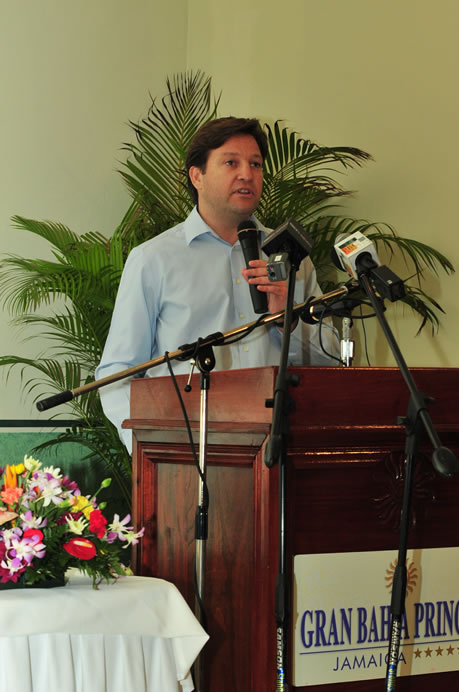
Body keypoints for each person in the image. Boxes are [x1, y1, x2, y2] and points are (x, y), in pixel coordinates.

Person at [96, 117, 339, 451]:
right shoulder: (154, 259)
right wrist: (150, 450)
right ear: (198, 175)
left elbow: (331, 362)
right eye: (231, 162)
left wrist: (290, 320)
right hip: (187, 456)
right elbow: (117, 373)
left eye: (255, 164)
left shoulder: (290, 257)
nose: (247, 174)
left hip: (277, 454)